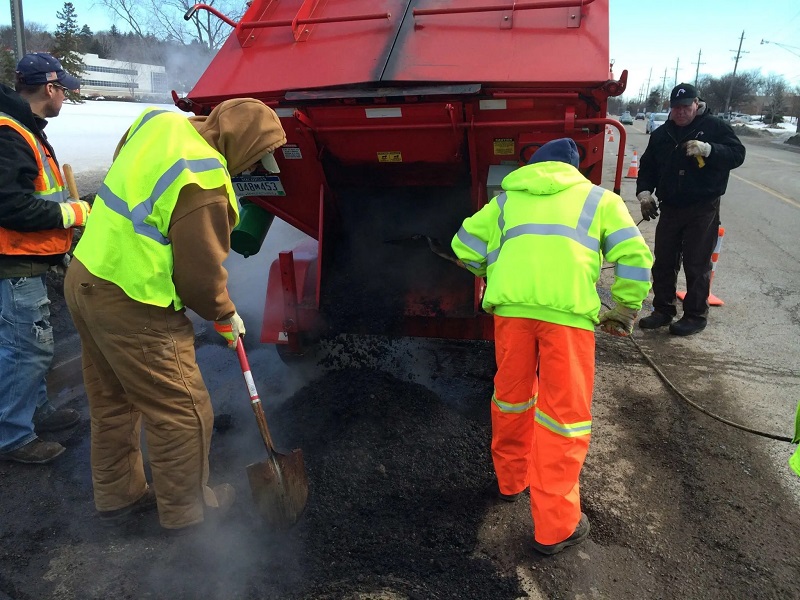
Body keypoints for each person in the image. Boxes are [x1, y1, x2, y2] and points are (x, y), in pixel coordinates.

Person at [63, 98, 287, 533]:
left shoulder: (159, 123)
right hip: (133, 298)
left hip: (85, 275)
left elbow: (132, 179)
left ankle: (117, 497)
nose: (252, 170)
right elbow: (199, 277)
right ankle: (188, 515)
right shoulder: (203, 179)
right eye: (256, 159)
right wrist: (224, 314)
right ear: (242, 144)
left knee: (113, 401)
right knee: (182, 409)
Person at [451, 138, 653, 555]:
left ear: (536, 168)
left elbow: (463, 249)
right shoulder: (600, 200)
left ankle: (511, 482)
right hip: (567, 319)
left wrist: (492, 265)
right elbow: (635, 257)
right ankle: (555, 529)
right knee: (564, 418)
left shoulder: (506, 201)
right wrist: (624, 309)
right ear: (572, 169)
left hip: (512, 314)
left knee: (511, 400)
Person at [0, 53, 87, 465]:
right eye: (64, 89)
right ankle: (13, 436)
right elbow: (9, 206)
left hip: (29, 260)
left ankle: (35, 412)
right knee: (25, 349)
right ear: (49, 88)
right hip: (14, 263)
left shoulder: (25, 128)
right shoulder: (10, 133)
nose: (66, 97)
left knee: (28, 344)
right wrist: (70, 213)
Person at [636, 83, 746, 336]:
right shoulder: (663, 134)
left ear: (697, 104)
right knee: (664, 261)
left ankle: (695, 315)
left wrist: (710, 150)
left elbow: (737, 154)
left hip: (702, 207)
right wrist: (644, 194)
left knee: (696, 263)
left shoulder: (714, 127)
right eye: (675, 107)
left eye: (686, 107)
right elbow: (648, 166)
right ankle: (663, 310)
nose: (680, 112)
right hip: (671, 206)